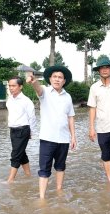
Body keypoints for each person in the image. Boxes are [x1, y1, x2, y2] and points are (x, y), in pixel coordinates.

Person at [26, 66, 76, 199]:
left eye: (60, 77)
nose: (57, 79)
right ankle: (42, 198)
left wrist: (73, 137)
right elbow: (38, 88)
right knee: (44, 169)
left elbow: (70, 117)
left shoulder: (68, 97)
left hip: (64, 139)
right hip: (48, 138)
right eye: (55, 77)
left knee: (60, 167)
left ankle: (59, 191)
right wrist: (33, 81)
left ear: (64, 81)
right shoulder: (45, 92)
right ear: (50, 79)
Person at [6, 76, 36, 183]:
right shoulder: (10, 99)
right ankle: (28, 175)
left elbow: (32, 118)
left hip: (23, 130)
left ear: (20, 86)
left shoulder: (26, 101)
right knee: (21, 153)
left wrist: (31, 132)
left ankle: (10, 180)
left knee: (15, 154)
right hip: (13, 130)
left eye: (13, 86)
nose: (11, 88)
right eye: (9, 85)